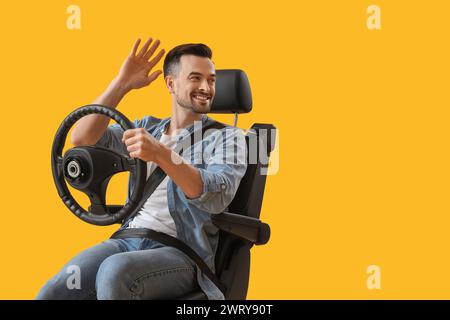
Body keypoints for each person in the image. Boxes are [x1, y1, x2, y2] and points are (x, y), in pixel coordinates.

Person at [36, 37, 247, 300]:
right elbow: (83, 137)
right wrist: (121, 83)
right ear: (171, 83)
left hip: (181, 252)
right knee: (53, 292)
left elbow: (215, 195)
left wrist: (160, 154)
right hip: (126, 240)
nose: (206, 87)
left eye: (211, 80)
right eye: (195, 78)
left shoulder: (229, 138)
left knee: (114, 273)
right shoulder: (148, 128)